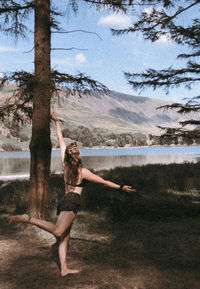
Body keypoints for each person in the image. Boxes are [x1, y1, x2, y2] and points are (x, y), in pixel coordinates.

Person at [9, 112, 136, 277]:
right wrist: (121, 188)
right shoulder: (83, 172)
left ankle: (64, 269)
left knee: (65, 237)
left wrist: (56, 123)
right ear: (79, 155)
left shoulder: (65, 166)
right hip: (72, 202)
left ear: (68, 156)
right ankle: (27, 218)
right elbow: (103, 182)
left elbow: (61, 142)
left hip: (65, 201)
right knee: (59, 232)